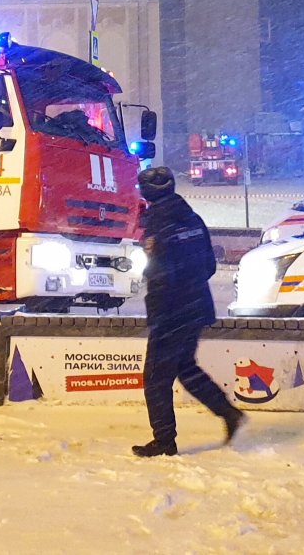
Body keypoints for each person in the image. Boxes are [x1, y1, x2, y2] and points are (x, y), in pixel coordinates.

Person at [133, 166, 244, 457]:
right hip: (196, 306)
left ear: (146, 192)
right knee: (185, 367)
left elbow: (158, 275)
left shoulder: (158, 224)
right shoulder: (192, 218)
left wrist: (160, 312)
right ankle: (228, 413)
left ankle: (164, 441)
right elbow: (209, 265)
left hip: (171, 312)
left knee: (156, 378)